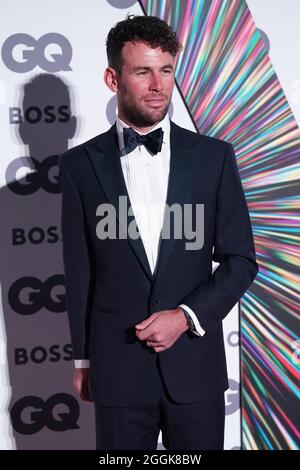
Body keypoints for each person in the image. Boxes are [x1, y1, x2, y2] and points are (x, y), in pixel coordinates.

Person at [59, 14, 258, 450]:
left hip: (194, 368)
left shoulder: (214, 157)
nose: (158, 85)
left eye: (166, 70)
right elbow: (79, 273)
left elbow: (240, 260)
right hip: (117, 367)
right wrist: (84, 358)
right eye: (143, 71)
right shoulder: (78, 167)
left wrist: (185, 317)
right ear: (113, 78)